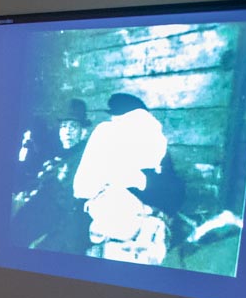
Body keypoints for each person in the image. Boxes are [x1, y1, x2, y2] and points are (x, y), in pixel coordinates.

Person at [73, 93, 174, 265]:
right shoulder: (105, 136)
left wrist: (141, 182)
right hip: (108, 225)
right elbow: (83, 187)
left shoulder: (155, 146)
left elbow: (169, 194)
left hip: (141, 224)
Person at [13, 98, 91, 254]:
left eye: (73, 126)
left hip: (65, 225)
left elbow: (64, 200)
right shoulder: (61, 156)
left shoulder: (84, 157)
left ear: (83, 132)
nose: (67, 131)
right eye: (64, 126)